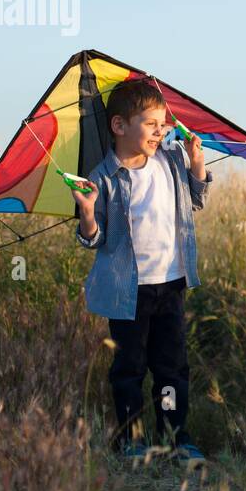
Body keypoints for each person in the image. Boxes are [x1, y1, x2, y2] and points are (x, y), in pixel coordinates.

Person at [71, 78, 211, 463]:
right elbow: (93, 240)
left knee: (171, 366)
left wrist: (197, 163)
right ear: (119, 126)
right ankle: (130, 440)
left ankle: (174, 436)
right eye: (151, 123)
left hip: (171, 283)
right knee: (129, 367)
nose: (160, 131)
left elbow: (196, 200)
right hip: (127, 291)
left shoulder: (171, 161)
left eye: (163, 124)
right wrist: (86, 213)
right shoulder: (102, 177)